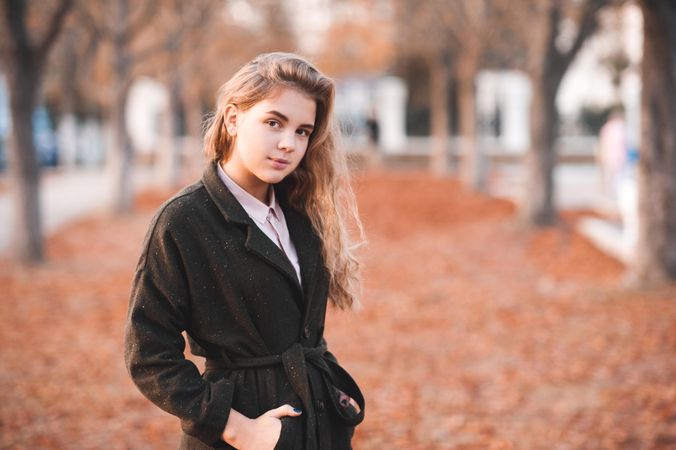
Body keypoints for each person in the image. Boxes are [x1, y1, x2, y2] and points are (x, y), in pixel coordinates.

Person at [124, 52, 366, 450]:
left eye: (303, 131)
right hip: (245, 431)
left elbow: (300, 331)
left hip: (318, 427)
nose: (289, 144)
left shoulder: (301, 210)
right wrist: (236, 428)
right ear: (233, 118)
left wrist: (331, 386)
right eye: (274, 123)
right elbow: (148, 353)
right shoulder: (184, 220)